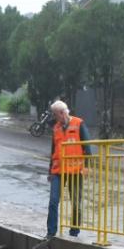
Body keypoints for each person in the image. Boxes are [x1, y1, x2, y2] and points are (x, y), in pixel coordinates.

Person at [46, 100, 91, 238]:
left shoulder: (79, 124)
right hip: (58, 171)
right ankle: (51, 232)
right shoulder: (56, 128)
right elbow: (53, 150)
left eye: (55, 114)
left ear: (62, 113)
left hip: (75, 170)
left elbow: (87, 147)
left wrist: (87, 167)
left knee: (76, 203)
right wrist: (50, 170)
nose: (54, 117)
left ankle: (74, 232)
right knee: (53, 201)